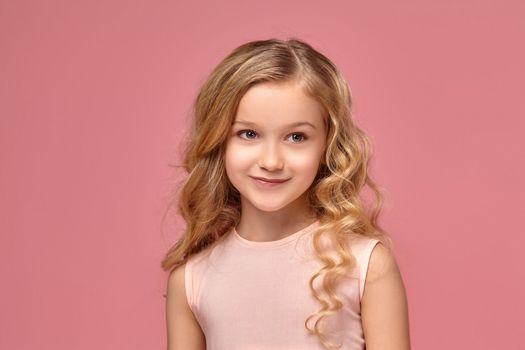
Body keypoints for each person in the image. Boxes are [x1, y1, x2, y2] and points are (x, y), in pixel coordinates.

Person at [161, 37, 411, 350]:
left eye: (296, 137)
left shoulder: (367, 264)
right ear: (219, 141)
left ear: (328, 146)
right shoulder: (191, 281)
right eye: (248, 134)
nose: (271, 161)